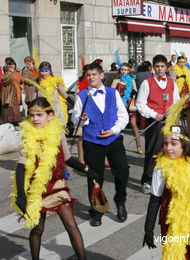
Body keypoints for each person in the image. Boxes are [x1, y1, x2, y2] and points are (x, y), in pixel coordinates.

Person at [11, 97, 98, 259]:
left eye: (40, 115)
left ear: (50, 115)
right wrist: (21, 195)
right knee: (38, 228)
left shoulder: (57, 133)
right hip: (37, 188)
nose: (35, 119)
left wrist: (86, 169)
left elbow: (67, 158)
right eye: (32, 115)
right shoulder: (28, 135)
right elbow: (21, 166)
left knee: (71, 225)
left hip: (57, 185)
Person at [142, 124, 190, 259]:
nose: (168, 148)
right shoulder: (161, 168)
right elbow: (155, 199)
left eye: (173, 144)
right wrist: (148, 229)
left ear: (183, 144)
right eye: (165, 144)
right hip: (171, 221)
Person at [72, 62, 130, 226]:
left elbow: (123, 116)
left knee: (122, 173)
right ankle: (97, 210)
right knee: (95, 177)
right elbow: (75, 119)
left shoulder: (113, 93)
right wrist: (82, 119)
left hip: (113, 139)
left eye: (94, 74)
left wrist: (114, 130)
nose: (91, 77)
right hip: (92, 142)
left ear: (101, 76)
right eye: (88, 75)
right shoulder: (83, 96)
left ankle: (120, 203)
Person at [137, 55, 180, 194]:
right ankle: (147, 180)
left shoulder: (172, 82)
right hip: (154, 121)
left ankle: (169, 179)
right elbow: (140, 104)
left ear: (166, 67)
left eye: (162, 66)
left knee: (172, 150)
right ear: (152, 68)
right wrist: (154, 114)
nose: (160, 69)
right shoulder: (147, 83)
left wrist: (172, 109)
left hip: (170, 121)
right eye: (157, 66)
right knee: (153, 152)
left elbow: (177, 100)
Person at [111, 63, 143, 153]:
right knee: (118, 125)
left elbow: (135, 90)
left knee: (133, 124)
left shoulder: (131, 79)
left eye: (126, 70)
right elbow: (111, 92)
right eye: (122, 69)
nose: (124, 71)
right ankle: (117, 148)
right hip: (119, 104)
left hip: (129, 104)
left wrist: (134, 93)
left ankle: (139, 146)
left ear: (129, 71)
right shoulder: (116, 80)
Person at [36, 61, 73, 126]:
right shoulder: (37, 82)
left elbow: (65, 95)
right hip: (42, 111)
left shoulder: (55, 81)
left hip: (55, 111)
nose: (44, 74)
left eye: (46, 71)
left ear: (50, 71)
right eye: (42, 71)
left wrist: (74, 104)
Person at [172, 56, 190, 139]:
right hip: (178, 93)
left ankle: (189, 132)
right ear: (177, 62)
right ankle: (177, 133)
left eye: (183, 62)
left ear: (186, 62)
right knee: (177, 114)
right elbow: (172, 82)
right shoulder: (173, 69)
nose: (182, 64)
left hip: (187, 92)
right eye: (180, 62)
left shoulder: (187, 70)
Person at [1, 59, 24, 125]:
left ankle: (15, 123)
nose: (12, 65)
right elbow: (5, 81)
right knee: (10, 110)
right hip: (9, 94)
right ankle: (11, 124)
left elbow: (21, 81)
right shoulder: (7, 72)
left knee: (15, 109)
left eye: (13, 64)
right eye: (10, 64)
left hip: (17, 92)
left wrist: (22, 87)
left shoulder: (17, 72)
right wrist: (9, 72)